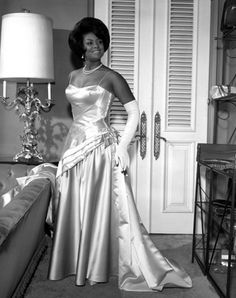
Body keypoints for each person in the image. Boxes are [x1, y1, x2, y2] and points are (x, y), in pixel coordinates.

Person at [48, 17, 192, 292]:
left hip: (100, 148)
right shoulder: (72, 76)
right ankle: (74, 260)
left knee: (98, 207)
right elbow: (78, 114)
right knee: (74, 203)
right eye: (90, 42)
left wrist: (123, 147)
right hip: (74, 145)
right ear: (80, 45)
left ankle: (99, 264)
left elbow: (134, 113)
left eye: (100, 42)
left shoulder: (111, 76)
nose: (96, 47)